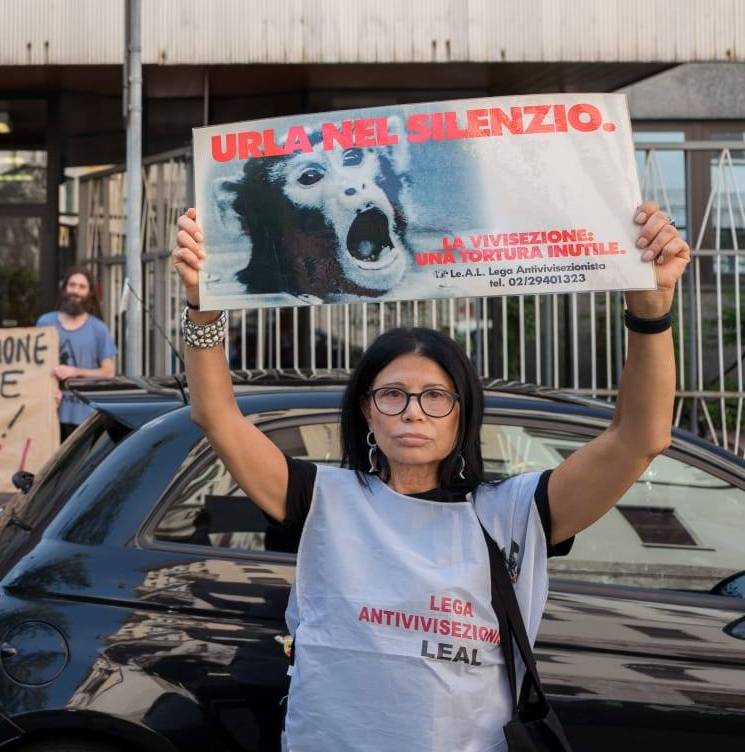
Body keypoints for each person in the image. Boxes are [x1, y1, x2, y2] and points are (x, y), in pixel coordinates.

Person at [171, 201, 689, 750]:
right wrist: (203, 310)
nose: (413, 411)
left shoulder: (514, 513)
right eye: (393, 394)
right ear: (367, 409)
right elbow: (217, 414)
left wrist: (650, 313)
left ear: (462, 412)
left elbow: (641, 437)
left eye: (435, 395)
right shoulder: (323, 498)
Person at [37, 267, 118, 437]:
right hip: (48, 412)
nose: (76, 291)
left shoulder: (98, 329)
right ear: (65, 288)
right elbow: (34, 367)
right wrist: (44, 389)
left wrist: (73, 371)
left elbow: (108, 372)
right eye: (72, 285)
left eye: (82, 287)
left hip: (85, 416)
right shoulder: (45, 323)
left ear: (89, 293)